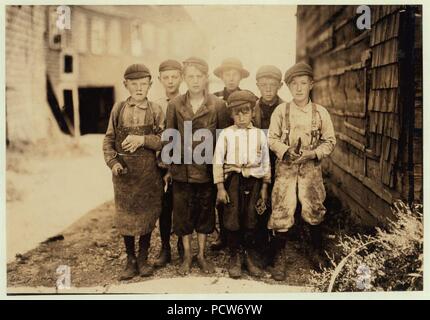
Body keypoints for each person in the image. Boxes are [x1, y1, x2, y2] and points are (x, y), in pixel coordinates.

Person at [268, 62, 336, 280]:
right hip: (286, 168)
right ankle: (279, 256)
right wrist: (285, 150)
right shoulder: (281, 111)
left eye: (303, 83)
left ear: (311, 85)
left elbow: (330, 141)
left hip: (310, 169)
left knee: (314, 208)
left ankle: (315, 250)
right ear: (288, 87)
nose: (299, 88)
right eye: (294, 84)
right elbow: (271, 139)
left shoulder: (320, 113)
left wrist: (314, 154)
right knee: (282, 208)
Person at [163, 57, 226, 275]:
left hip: (207, 172)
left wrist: (220, 172)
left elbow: (222, 140)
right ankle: (187, 256)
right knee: (182, 215)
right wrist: (169, 170)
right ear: (184, 79)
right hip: (182, 172)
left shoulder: (218, 105)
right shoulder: (174, 105)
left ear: (206, 78)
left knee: (205, 214)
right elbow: (169, 137)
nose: (195, 81)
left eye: (199, 76)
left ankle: (201, 255)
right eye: (190, 76)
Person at [103, 64, 165, 280]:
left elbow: (164, 140)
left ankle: (143, 258)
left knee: (147, 216)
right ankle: (130, 260)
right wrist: (113, 163)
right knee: (126, 217)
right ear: (126, 85)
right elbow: (109, 140)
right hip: (124, 176)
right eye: (134, 84)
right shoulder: (118, 109)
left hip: (148, 175)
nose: (139, 88)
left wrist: (144, 140)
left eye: (143, 84)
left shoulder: (156, 110)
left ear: (150, 84)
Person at [213, 90, 271, 279]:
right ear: (231, 114)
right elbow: (217, 161)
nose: (241, 116)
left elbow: (265, 161)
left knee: (251, 218)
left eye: (245, 112)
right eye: (237, 113)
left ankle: (249, 256)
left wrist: (264, 187)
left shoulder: (259, 135)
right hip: (233, 180)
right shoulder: (226, 135)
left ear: (252, 112)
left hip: (254, 180)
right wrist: (220, 187)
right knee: (232, 217)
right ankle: (235, 256)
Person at [211, 58, 250, 251]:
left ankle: (241, 236)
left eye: (235, 73)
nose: (231, 77)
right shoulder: (214, 98)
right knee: (221, 194)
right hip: (219, 150)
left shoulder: (248, 97)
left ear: (240, 76)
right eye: (227, 74)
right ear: (222, 76)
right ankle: (223, 235)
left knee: (241, 195)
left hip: (240, 153)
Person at [253, 65, 285, 267]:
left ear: (280, 85)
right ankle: (261, 248)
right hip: (258, 162)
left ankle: (278, 250)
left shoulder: (286, 109)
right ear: (257, 85)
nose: (267, 88)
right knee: (260, 204)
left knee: (280, 204)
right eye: (263, 84)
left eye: (272, 84)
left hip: (280, 163)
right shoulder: (252, 108)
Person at [153, 59, 184, 268]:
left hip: (182, 163)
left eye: (174, 76)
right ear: (159, 79)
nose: (170, 81)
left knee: (181, 205)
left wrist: (176, 165)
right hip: (160, 163)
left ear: (181, 77)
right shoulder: (155, 105)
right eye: (166, 77)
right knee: (163, 207)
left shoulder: (186, 102)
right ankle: (165, 248)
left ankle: (183, 244)